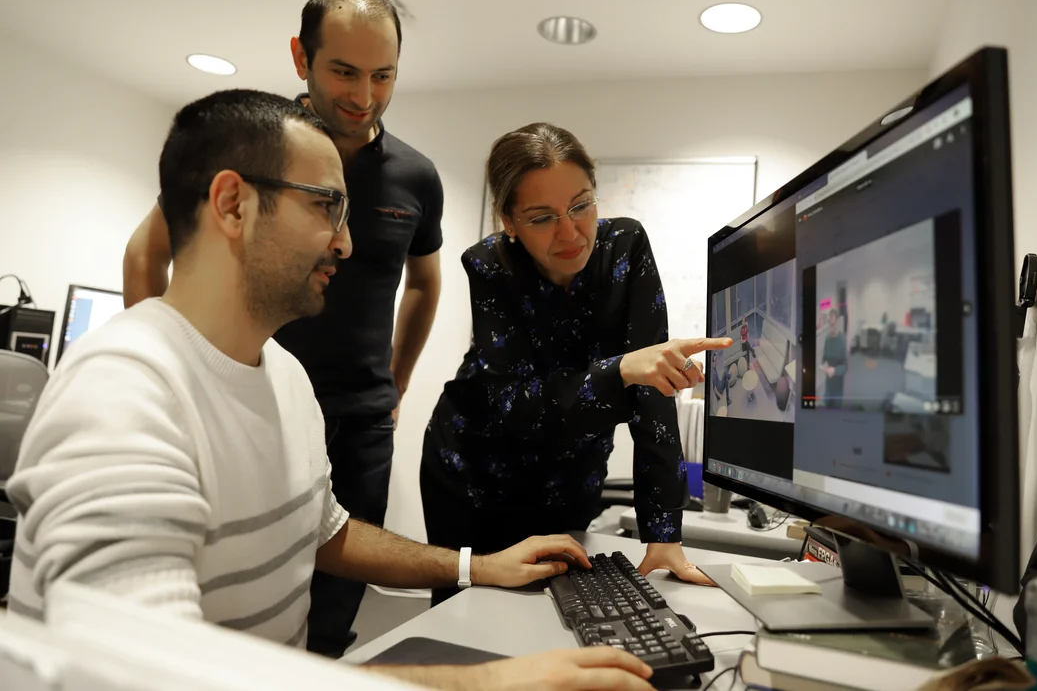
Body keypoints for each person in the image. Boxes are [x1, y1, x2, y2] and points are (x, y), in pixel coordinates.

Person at [7, 90, 657, 691]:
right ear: (233, 204)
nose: (346, 243)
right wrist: (487, 681)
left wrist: (474, 567)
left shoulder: (285, 376)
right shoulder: (122, 392)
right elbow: (141, 673)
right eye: (326, 206)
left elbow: (327, 532)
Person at [122, 0, 443, 657]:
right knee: (224, 600)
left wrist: (398, 379)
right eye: (344, 71)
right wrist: (166, 367)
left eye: (383, 76)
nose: (365, 95)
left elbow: (424, 281)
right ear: (302, 57)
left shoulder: (417, 176)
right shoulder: (253, 146)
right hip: (250, 402)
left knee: (326, 621)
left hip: (358, 420)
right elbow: (147, 250)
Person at [420, 122, 732, 606]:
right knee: (466, 618)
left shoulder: (625, 248)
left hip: (572, 475)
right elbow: (516, 405)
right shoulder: (489, 265)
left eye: (581, 206)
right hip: (475, 472)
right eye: (542, 218)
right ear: (509, 221)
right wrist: (623, 369)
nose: (570, 233)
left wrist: (664, 533)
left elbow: (654, 393)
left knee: (565, 612)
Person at [821, 308, 847, 407]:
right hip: (828, 386)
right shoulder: (827, 339)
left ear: (837, 323)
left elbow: (845, 366)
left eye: (832, 324)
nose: (830, 327)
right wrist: (824, 366)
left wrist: (834, 370)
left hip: (838, 386)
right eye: (829, 324)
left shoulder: (842, 341)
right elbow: (824, 358)